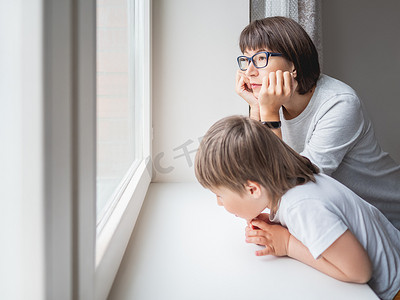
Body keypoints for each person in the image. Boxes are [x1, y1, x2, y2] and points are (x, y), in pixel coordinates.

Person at [194, 115, 400, 300]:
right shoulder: (297, 179)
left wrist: (288, 244)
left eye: (220, 195)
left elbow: (358, 271)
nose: (219, 203)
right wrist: (279, 225)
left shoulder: (301, 206)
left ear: (252, 190)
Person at [235, 16, 400, 230]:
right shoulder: (269, 103)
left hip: (389, 220)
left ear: (293, 65)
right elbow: (255, 169)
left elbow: (297, 185)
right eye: (246, 60)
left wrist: (268, 112)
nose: (249, 72)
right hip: (345, 220)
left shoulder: (340, 103)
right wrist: (257, 109)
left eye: (260, 59)